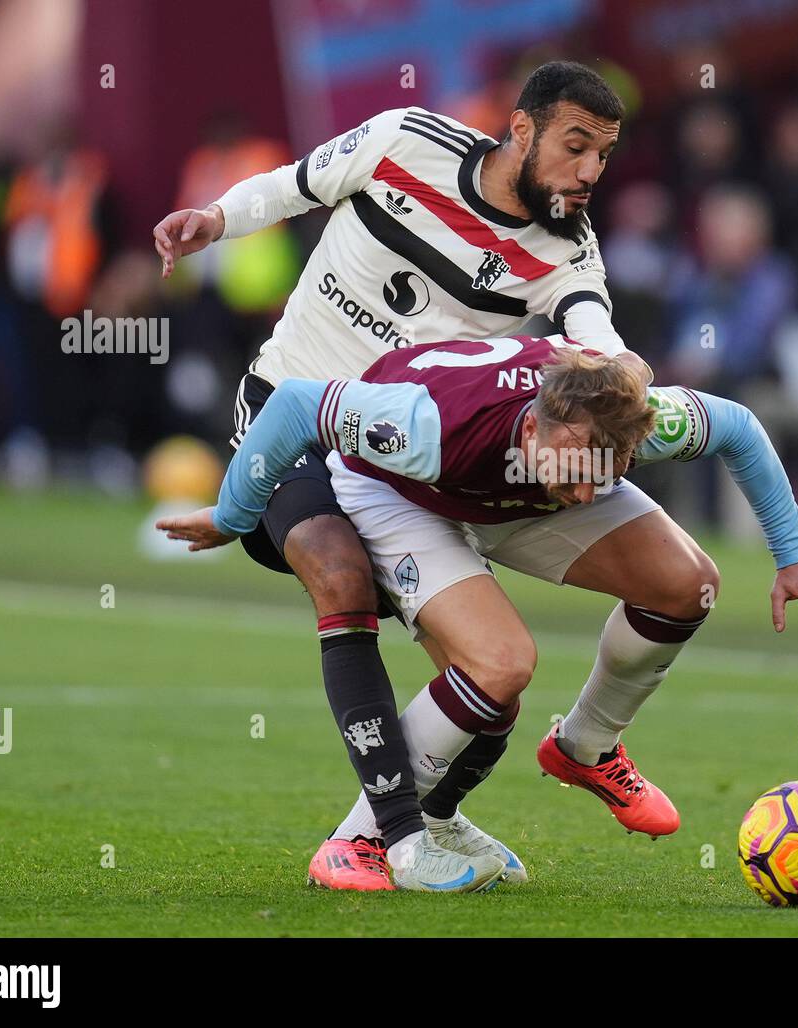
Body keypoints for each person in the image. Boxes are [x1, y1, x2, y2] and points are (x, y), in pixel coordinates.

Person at [152, 62, 647, 892]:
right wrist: (216, 218)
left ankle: (443, 816)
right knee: (338, 573)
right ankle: (387, 841)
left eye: (603, 155)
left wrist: (619, 362)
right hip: (293, 417)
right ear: (520, 130)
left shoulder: (567, 247)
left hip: (399, 462)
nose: (590, 172)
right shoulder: (404, 140)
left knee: (492, 669)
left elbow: (588, 319)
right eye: (576, 147)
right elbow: (296, 183)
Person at [158, 335, 798, 891]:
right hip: (399, 494)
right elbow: (297, 407)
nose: (588, 491)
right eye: (577, 467)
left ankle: (587, 745)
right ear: (543, 420)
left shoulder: (621, 425)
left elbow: (739, 428)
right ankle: (357, 843)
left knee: (688, 583)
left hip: (509, 496)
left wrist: (795, 557)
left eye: (609, 472)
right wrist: (231, 515)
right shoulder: (421, 428)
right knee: (502, 663)